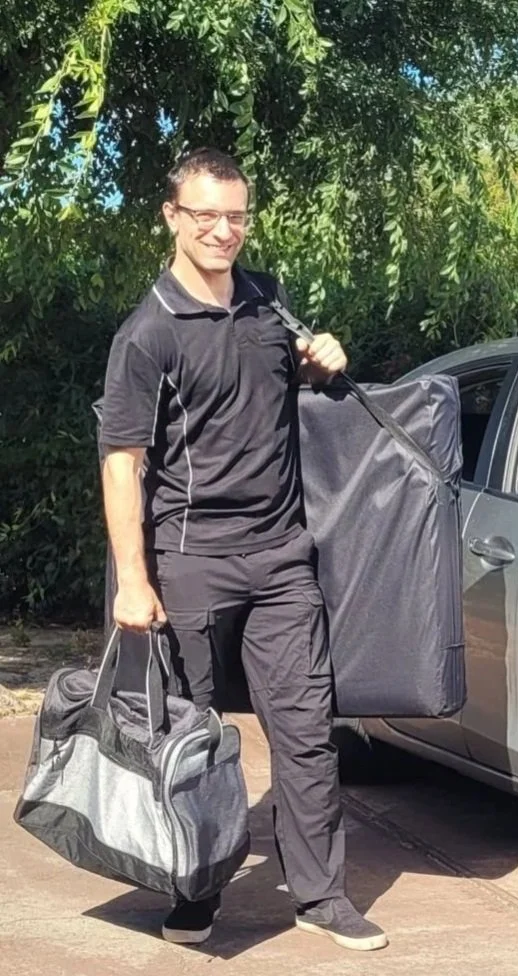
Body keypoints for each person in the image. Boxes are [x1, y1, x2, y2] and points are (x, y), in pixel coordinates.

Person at [99, 147, 389, 952]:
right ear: (172, 217)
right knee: (193, 739)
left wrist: (324, 361)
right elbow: (122, 461)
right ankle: (195, 891)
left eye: (236, 216)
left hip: (281, 557)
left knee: (305, 731)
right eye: (206, 216)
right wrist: (133, 580)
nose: (223, 231)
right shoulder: (148, 333)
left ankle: (321, 896)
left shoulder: (269, 301)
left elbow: (285, 385)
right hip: (191, 560)